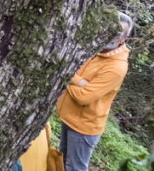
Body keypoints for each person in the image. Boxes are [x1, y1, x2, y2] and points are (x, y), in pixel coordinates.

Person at [56, 12, 133, 171]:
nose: (110, 34)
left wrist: (67, 76)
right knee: (61, 161)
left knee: (74, 168)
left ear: (123, 38)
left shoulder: (116, 67)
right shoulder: (96, 48)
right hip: (69, 117)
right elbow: (73, 69)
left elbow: (84, 97)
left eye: (117, 33)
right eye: (108, 28)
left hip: (84, 127)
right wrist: (78, 80)